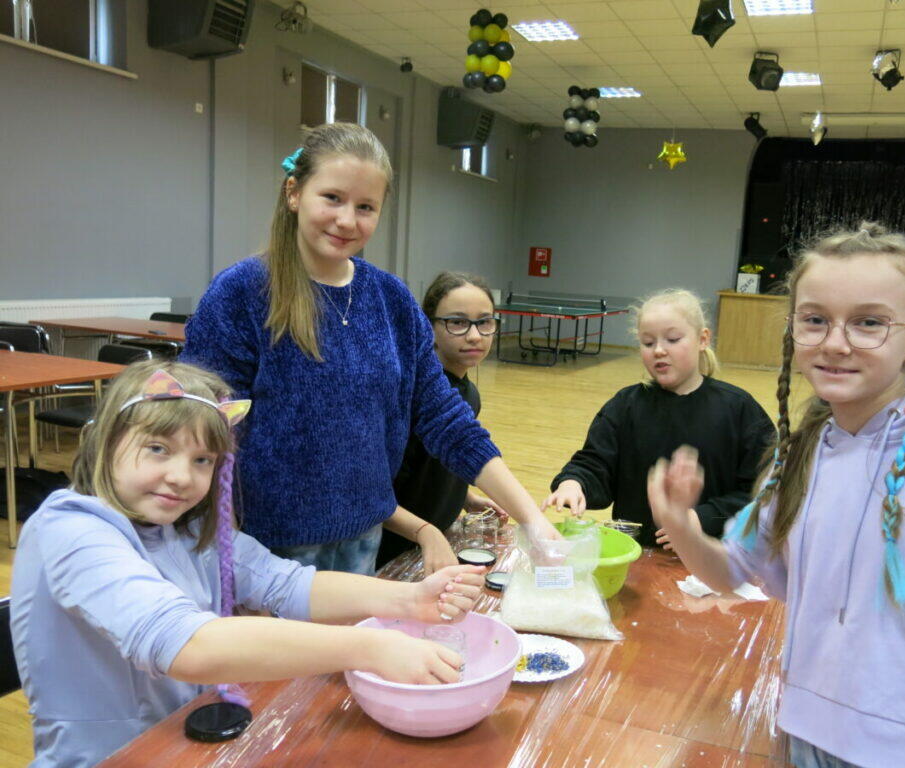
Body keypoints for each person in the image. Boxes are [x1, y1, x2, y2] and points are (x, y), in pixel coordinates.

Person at [648, 223, 905, 768]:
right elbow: (730, 572)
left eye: (869, 322)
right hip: (813, 738)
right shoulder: (798, 459)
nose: (835, 343)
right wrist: (681, 523)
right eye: (815, 320)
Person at [9, 361, 485, 768]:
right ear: (106, 441)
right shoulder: (71, 531)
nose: (181, 477)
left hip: (187, 746)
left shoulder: (184, 527)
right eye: (158, 449)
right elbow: (188, 646)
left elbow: (286, 584)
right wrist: (369, 647)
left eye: (202, 460)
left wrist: (408, 599)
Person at [181, 122, 557, 574]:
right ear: (294, 193)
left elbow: (446, 419)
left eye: (365, 207)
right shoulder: (241, 293)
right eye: (332, 198)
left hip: (364, 539)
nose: (347, 220)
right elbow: (205, 427)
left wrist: (532, 519)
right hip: (261, 548)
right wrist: (225, 552)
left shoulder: (391, 299)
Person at [544, 288, 774, 546]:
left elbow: (763, 490)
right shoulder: (625, 406)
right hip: (638, 551)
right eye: (648, 343)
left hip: (714, 555)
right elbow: (595, 462)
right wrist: (574, 483)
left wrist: (703, 518)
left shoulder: (739, 408)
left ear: (702, 339)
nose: (659, 350)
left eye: (673, 339)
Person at [376, 271, 506, 573]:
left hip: (434, 543)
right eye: (457, 322)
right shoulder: (411, 397)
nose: (474, 336)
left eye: (484, 322)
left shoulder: (469, 393)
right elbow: (376, 492)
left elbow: (433, 467)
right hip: (392, 550)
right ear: (428, 326)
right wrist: (424, 532)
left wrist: (466, 498)